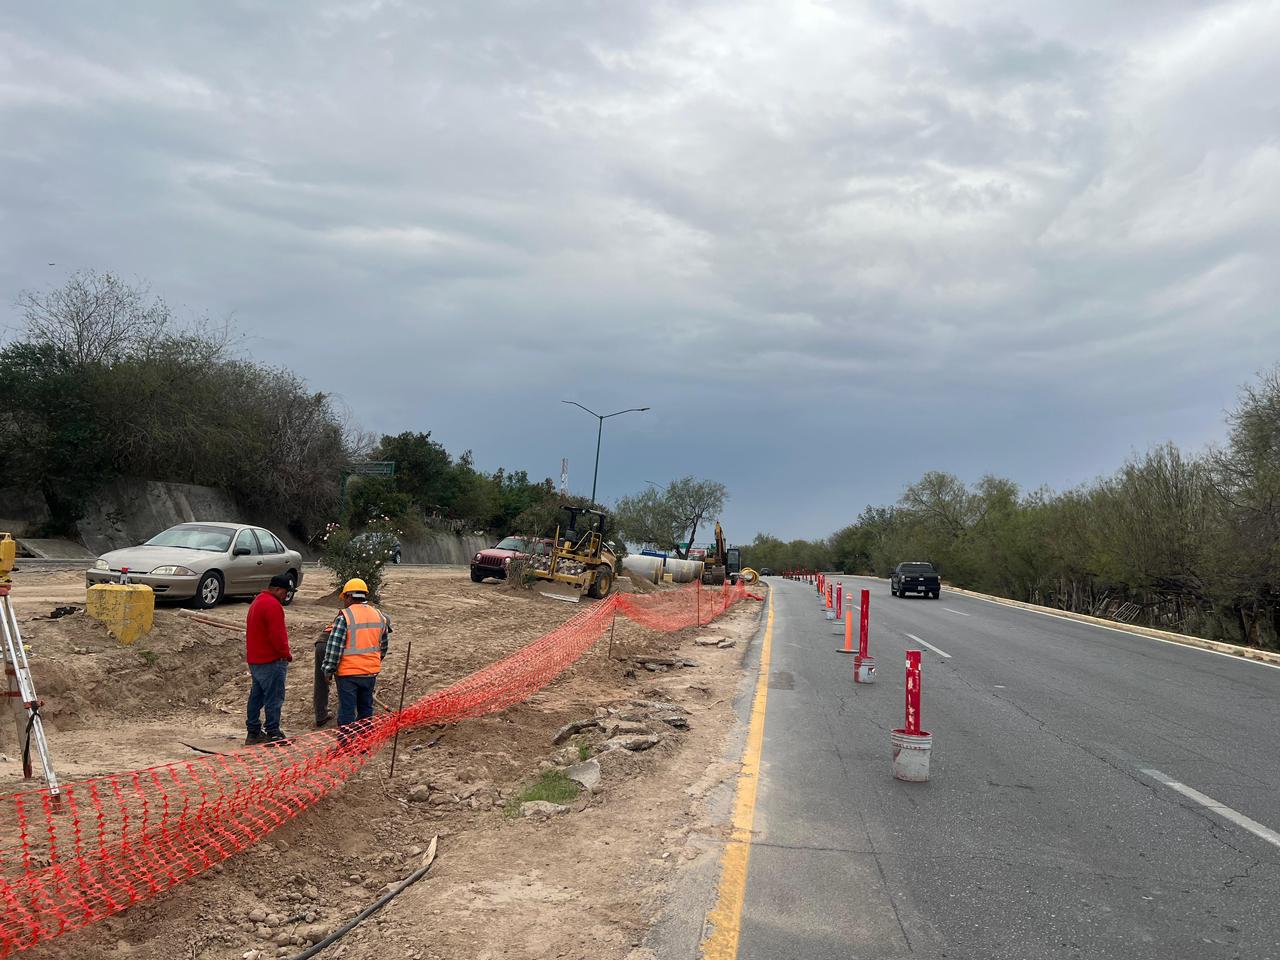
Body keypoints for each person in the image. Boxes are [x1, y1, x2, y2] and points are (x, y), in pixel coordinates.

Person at [321, 578, 392, 727]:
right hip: (370, 673)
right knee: (366, 712)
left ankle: (346, 747)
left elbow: (335, 648)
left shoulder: (345, 617)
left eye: (344, 598)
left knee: (347, 713)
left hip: (348, 675)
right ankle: (364, 746)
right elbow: (384, 646)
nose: (344, 602)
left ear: (349, 596)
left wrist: (328, 670)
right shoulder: (379, 615)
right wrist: (373, 662)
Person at [245, 573, 294, 745]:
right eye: (285, 592)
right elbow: (277, 635)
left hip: (256, 659)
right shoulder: (273, 605)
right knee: (274, 697)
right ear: (278, 589)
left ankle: (253, 732)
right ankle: (273, 732)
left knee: (256, 697)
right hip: (271, 660)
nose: (286, 596)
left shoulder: (258, 601)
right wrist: (286, 654)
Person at [313, 624, 335, 728]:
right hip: (333, 643)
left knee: (321, 680)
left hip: (321, 642)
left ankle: (321, 715)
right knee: (346, 679)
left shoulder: (347, 614)